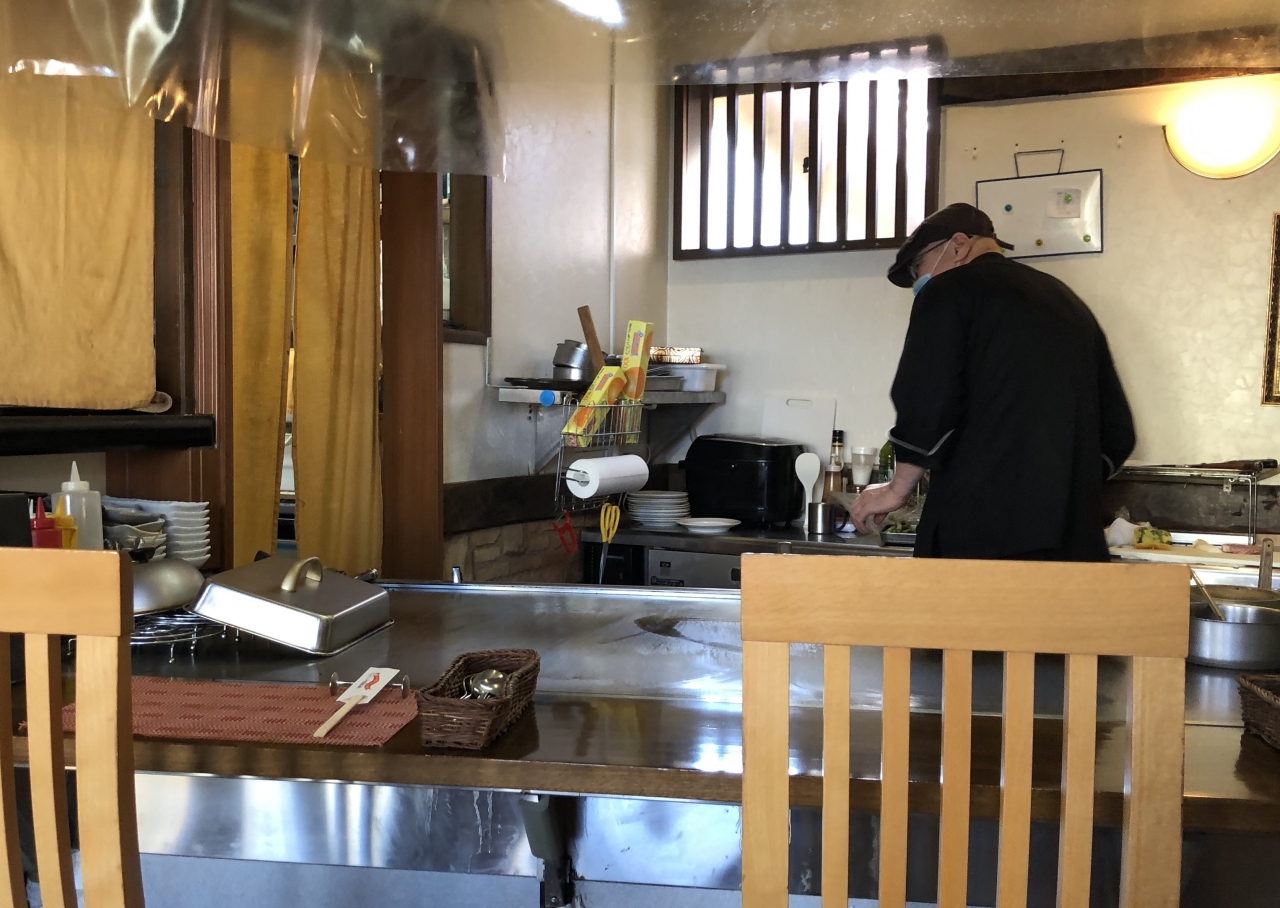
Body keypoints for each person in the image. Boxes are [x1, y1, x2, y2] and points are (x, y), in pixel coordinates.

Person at [849, 203, 1135, 561]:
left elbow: (926, 402)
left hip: (979, 537)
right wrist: (1070, 490)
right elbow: (1118, 432)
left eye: (918, 265)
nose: (920, 279)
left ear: (958, 245)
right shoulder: (1067, 300)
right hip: (1074, 542)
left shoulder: (947, 291)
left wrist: (896, 489)